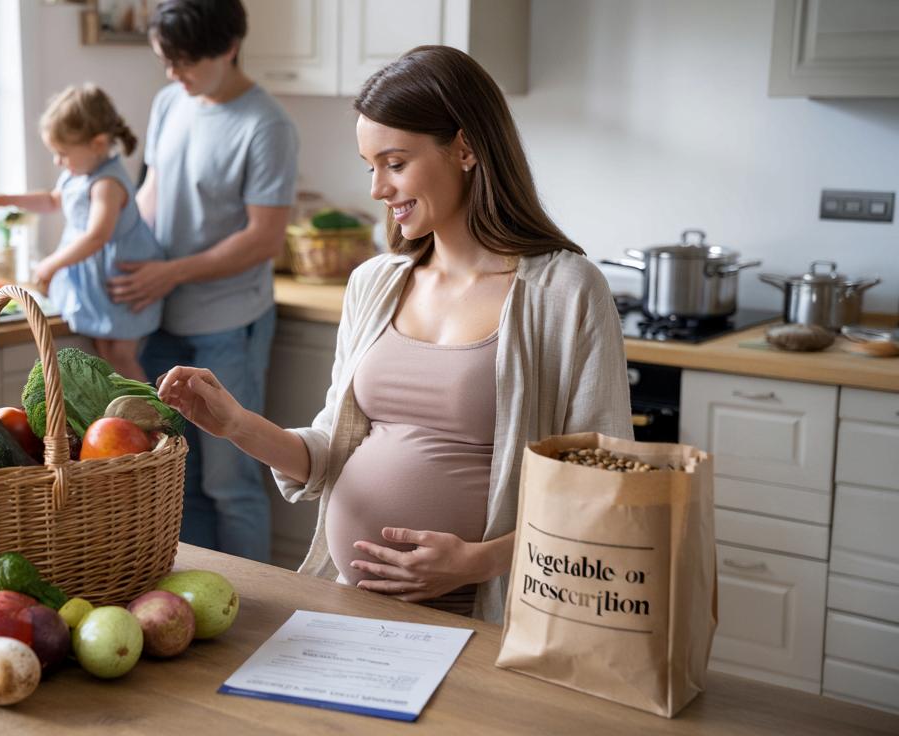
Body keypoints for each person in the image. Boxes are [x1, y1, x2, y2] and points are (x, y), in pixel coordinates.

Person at [156, 46, 631, 622]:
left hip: (488, 612)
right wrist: (237, 425)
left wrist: (478, 562)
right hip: (351, 601)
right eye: (370, 166)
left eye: (396, 162)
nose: (378, 188)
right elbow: (333, 449)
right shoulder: (375, 283)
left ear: (465, 147)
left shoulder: (565, 290)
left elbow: (601, 493)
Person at [112, 0, 298, 562]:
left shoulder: (267, 126)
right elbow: (152, 195)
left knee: (232, 482)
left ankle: (258, 617)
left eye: (185, 61)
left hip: (228, 327)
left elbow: (263, 238)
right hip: (162, 325)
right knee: (179, 478)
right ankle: (198, 600)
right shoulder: (171, 101)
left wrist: (171, 271)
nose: (172, 73)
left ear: (229, 47)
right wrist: (109, 256)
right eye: (166, 60)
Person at [0, 84, 163, 382]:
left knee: (121, 355)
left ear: (98, 144)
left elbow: (96, 236)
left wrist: (52, 263)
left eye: (62, 153)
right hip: (97, 285)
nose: (57, 161)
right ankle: (119, 416)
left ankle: (151, 415)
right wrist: (9, 199)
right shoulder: (77, 174)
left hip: (120, 283)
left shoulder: (107, 184)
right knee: (104, 350)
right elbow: (51, 200)